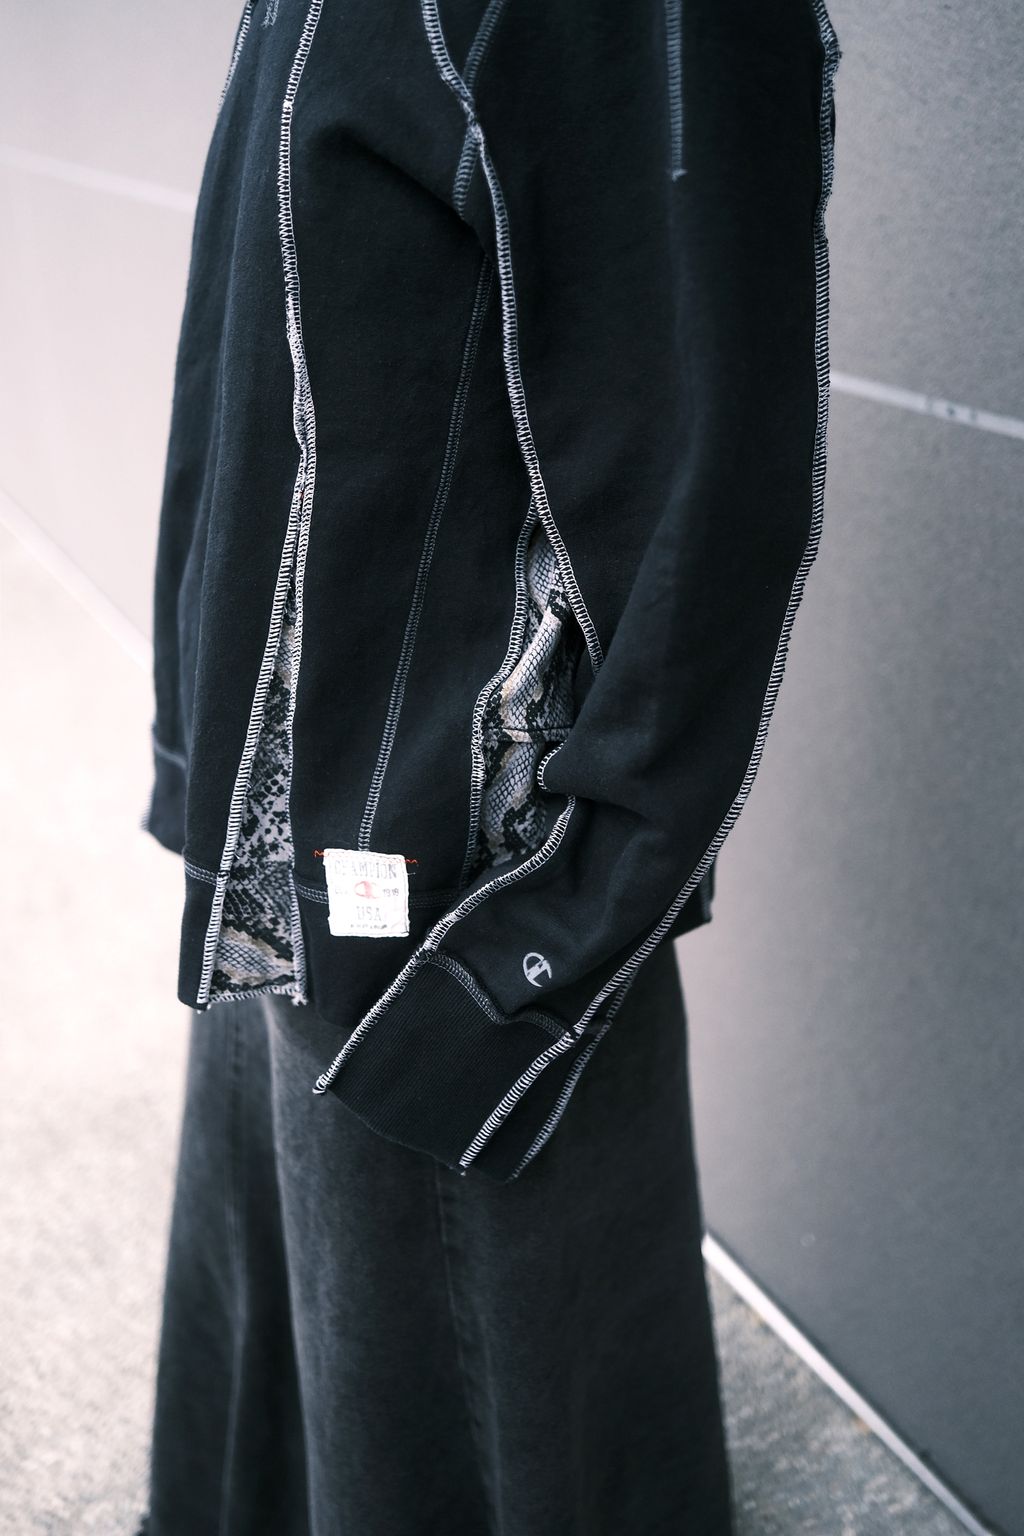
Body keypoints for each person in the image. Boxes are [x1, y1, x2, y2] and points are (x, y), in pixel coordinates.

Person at [135, 0, 841, 1531]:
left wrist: (545, 937)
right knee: (304, 1390)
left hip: (443, 880)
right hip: (288, 836)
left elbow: (705, 500)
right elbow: (248, 360)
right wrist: (203, 772)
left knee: (462, 1414)